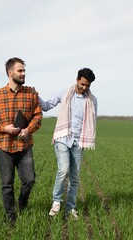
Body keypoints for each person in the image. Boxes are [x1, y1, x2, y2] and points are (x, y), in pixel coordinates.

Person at [0, 57, 42, 226]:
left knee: (29, 180)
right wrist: (5, 128)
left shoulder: (31, 94)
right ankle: (11, 215)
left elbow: (38, 116)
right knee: (7, 184)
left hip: (25, 146)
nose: (23, 73)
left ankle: (22, 203)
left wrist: (28, 130)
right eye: (20, 71)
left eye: (24, 70)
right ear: (10, 73)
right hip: (5, 147)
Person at [39, 68, 97, 220]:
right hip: (63, 137)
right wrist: (35, 96)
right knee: (63, 169)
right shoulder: (65, 93)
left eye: (88, 86)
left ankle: (70, 209)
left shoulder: (92, 100)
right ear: (77, 79)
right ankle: (57, 201)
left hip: (79, 141)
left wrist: (87, 138)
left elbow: (92, 121)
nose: (84, 88)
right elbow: (46, 106)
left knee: (75, 177)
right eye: (83, 84)